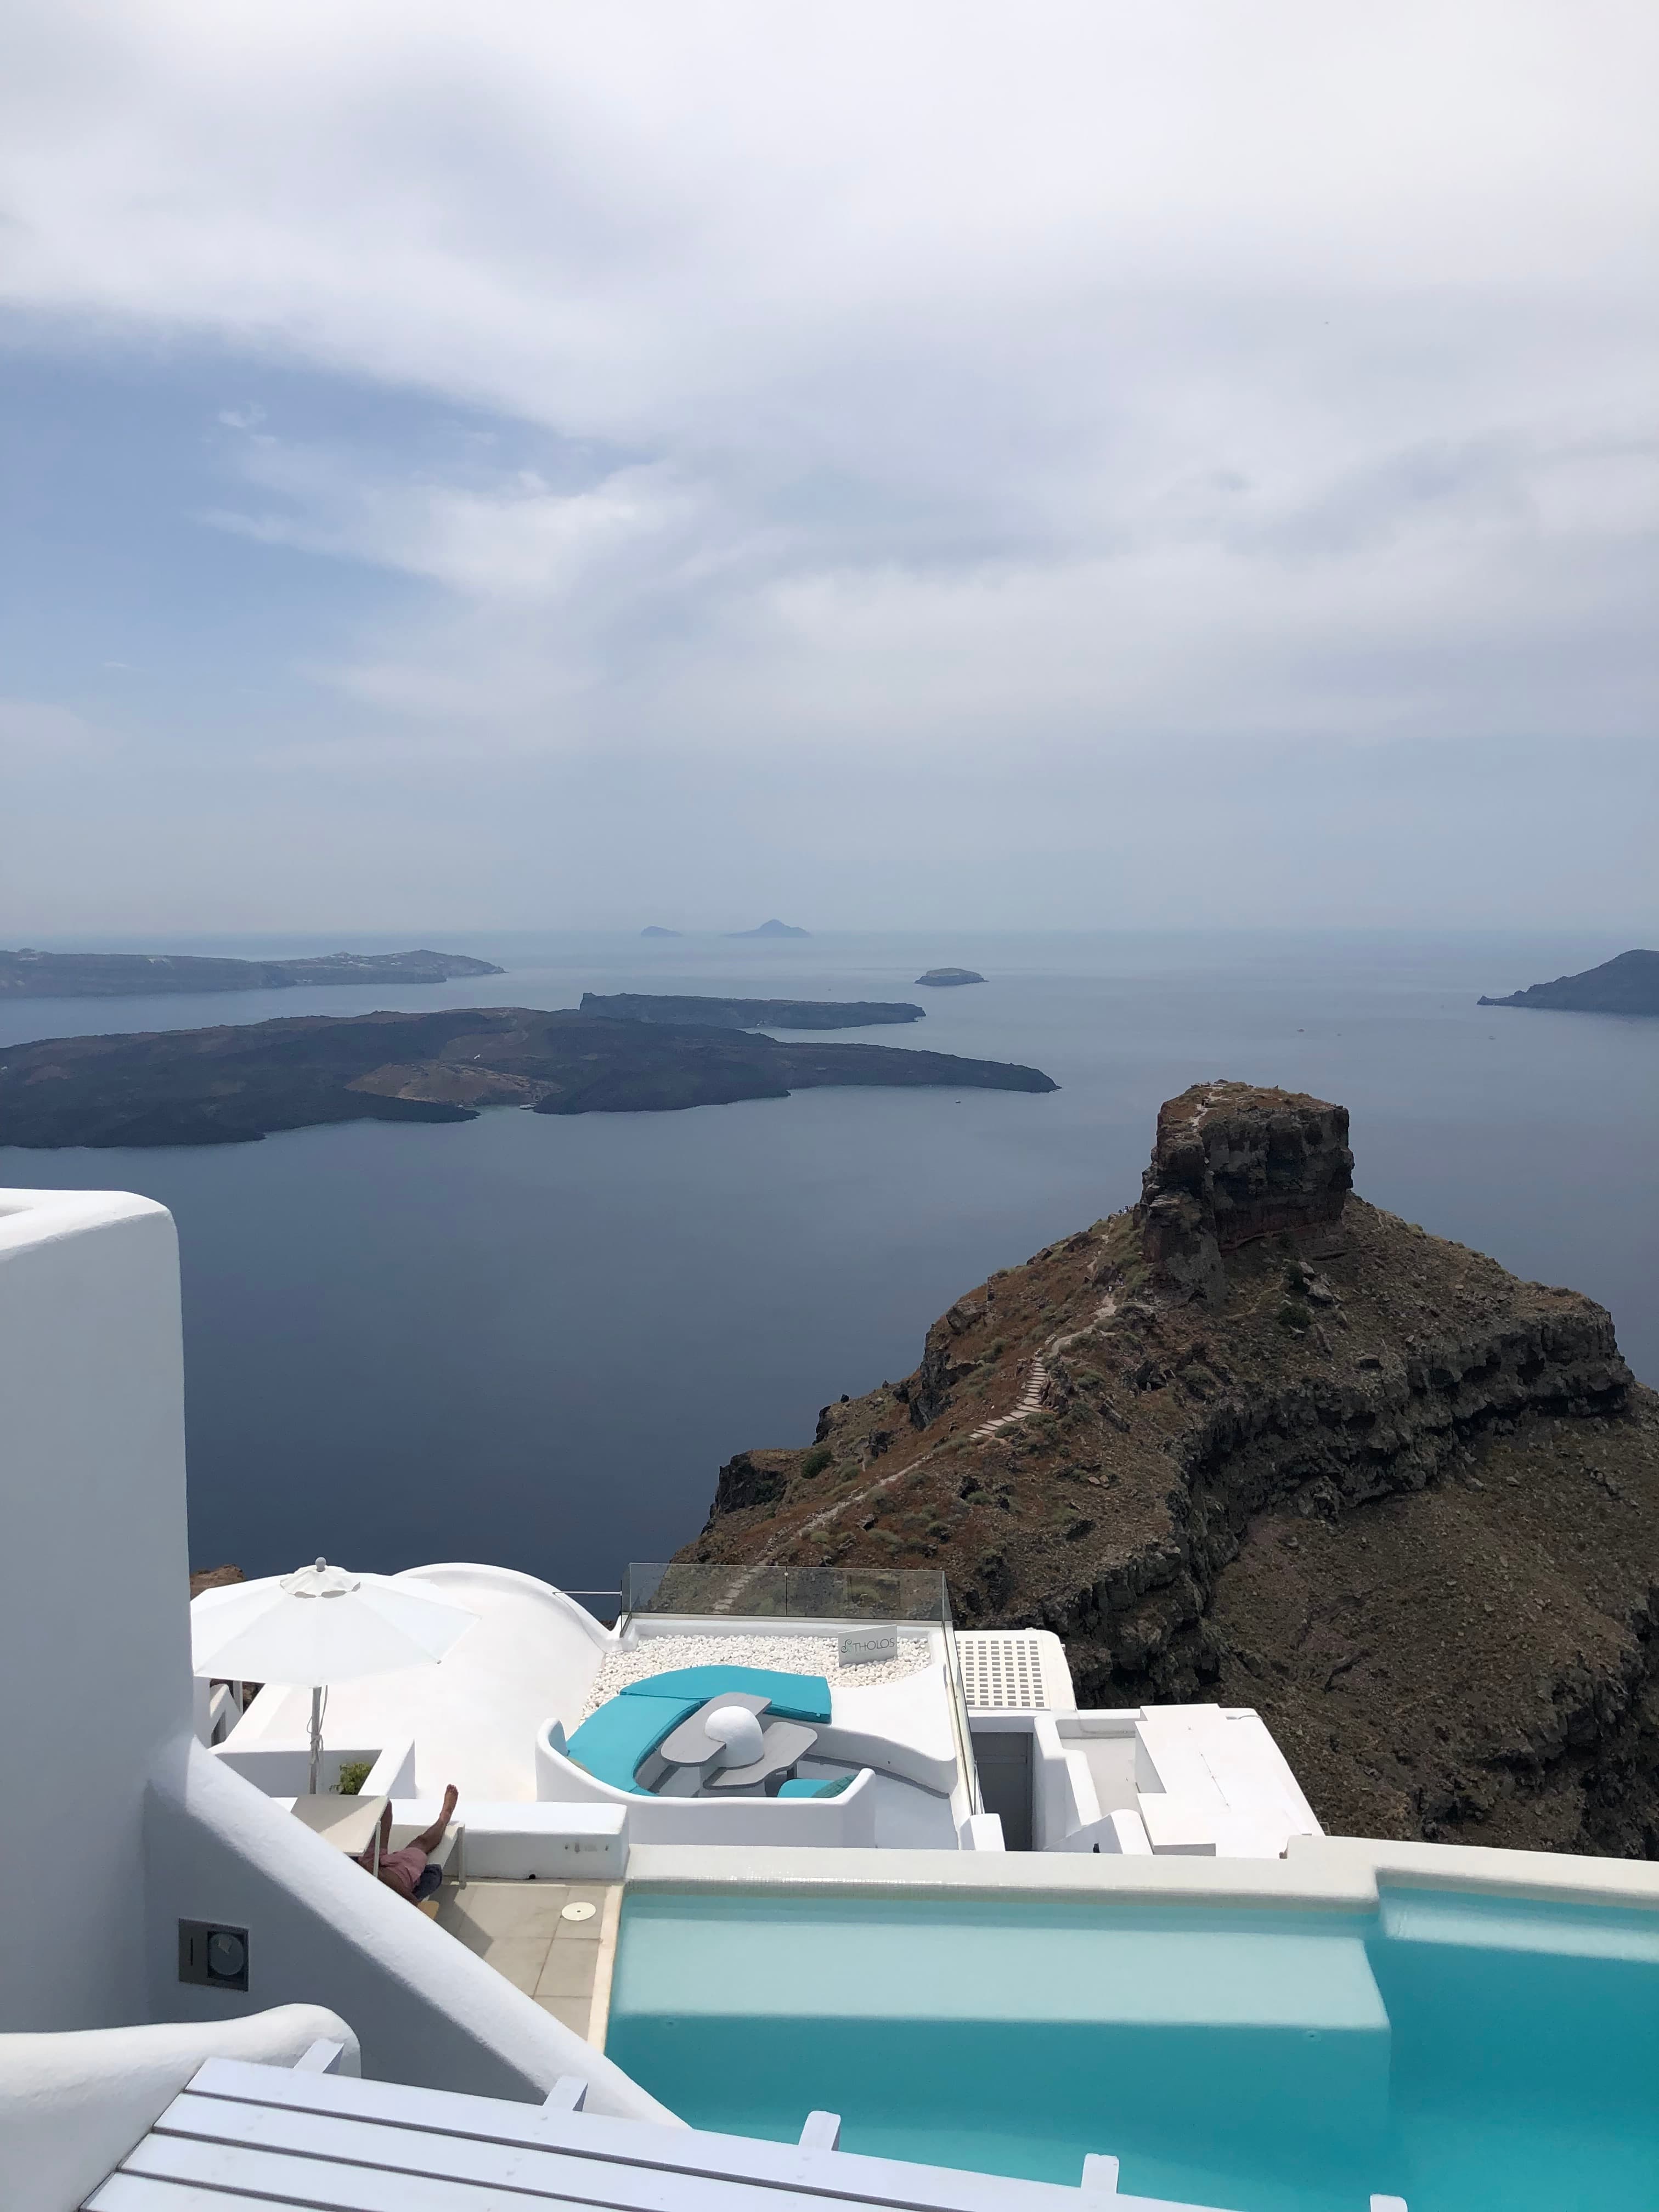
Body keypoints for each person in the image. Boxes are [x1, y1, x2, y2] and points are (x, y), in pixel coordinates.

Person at [359, 1782, 459, 1905]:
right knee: (421, 1846)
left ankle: (443, 1818)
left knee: (385, 1806)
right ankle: (444, 1818)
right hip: (396, 1877)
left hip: (375, 1865)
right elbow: (408, 1898)